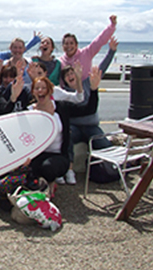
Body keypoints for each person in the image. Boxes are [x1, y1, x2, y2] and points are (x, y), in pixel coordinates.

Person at [9, 69, 102, 188]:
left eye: (43, 88)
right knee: (25, 171)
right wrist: (14, 97)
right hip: (36, 155)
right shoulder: (29, 111)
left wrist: (94, 90)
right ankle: (39, 189)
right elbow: (12, 123)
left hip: (58, 156)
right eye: (37, 88)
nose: (40, 91)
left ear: (50, 91)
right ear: (33, 92)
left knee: (47, 169)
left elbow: (89, 110)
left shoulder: (61, 108)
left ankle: (50, 185)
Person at [58, 37, 118, 185]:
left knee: (104, 145)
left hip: (92, 127)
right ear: (64, 80)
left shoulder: (87, 83)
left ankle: (119, 168)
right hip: (75, 128)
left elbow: (102, 68)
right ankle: (68, 170)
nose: (70, 77)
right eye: (67, 76)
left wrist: (111, 51)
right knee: (67, 137)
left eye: (73, 74)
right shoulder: (64, 94)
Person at [59, 15, 117, 81]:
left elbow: (99, 41)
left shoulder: (86, 53)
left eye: (71, 43)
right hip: (68, 91)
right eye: (66, 44)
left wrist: (112, 26)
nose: (69, 46)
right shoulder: (60, 62)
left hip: (87, 88)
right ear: (63, 46)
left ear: (76, 45)